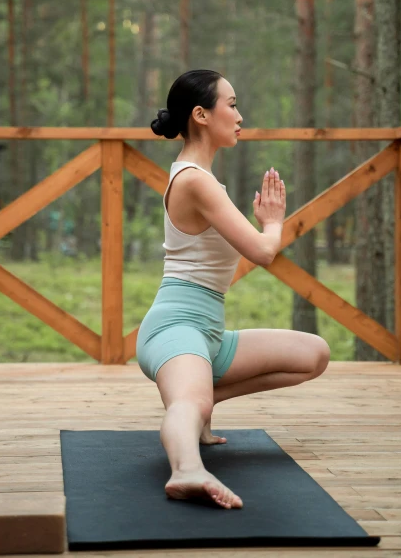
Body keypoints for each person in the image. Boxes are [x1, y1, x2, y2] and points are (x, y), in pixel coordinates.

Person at [136, 69, 330, 510]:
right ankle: (186, 469)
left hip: (209, 334)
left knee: (313, 354)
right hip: (175, 329)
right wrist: (274, 222)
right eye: (233, 104)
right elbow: (263, 252)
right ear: (201, 115)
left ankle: (203, 401)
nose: (240, 116)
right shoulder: (195, 180)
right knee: (189, 399)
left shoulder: (199, 176)